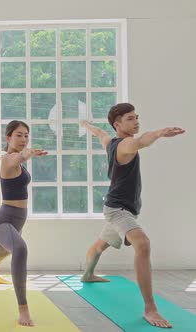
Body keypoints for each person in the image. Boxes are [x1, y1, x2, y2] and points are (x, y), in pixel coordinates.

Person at [80, 102, 185, 328]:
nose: (136, 121)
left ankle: (87, 274)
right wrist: (160, 132)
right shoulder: (126, 144)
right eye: (130, 118)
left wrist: (87, 125)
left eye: (136, 116)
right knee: (143, 244)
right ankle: (150, 308)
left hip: (118, 207)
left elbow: (100, 133)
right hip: (118, 209)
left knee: (100, 245)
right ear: (118, 124)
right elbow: (139, 142)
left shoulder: (110, 142)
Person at [0, 120, 47, 327]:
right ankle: (23, 309)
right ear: (8, 138)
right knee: (20, 249)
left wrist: (28, 155)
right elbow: (17, 157)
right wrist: (27, 153)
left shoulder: (19, 162)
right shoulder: (7, 159)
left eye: (26, 135)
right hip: (4, 219)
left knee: (3, 253)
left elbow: (21, 159)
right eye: (18, 135)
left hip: (18, 220)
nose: (23, 139)